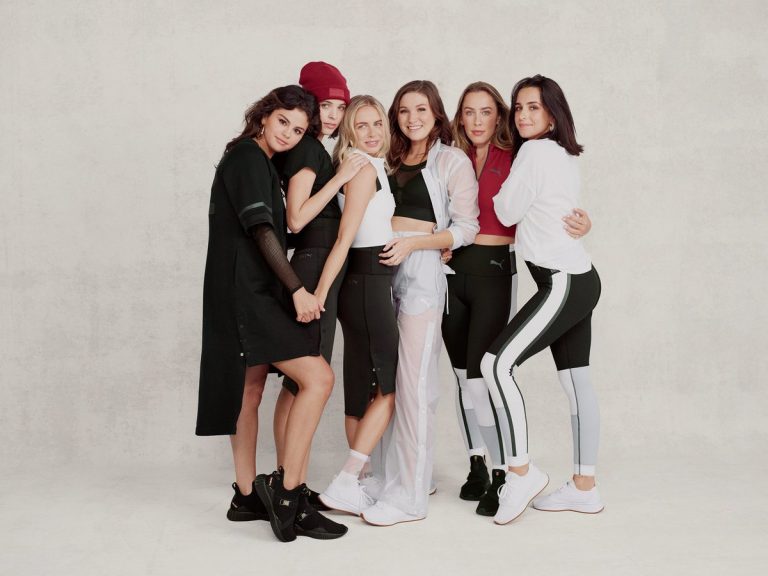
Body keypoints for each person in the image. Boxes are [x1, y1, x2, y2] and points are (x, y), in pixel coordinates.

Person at [196, 85, 347, 542]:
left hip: (243, 289)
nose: (288, 133)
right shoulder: (247, 157)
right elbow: (262, 229)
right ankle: (288, 497)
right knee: (318, 378)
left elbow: (273, 229)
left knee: (250, 389)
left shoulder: (258, 161)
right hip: (245, 293)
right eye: (283, 121)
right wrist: (298, 289)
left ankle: (246, 496)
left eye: (298, 130)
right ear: (264, 116)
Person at [444, 82, 592, 516]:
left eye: (487, 112)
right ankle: (576, 485)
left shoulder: (524, 152)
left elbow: (516, 210)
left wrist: (582, 222)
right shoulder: (453, 156)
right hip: (464, 271)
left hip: (527, 274)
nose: (476, 121)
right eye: (468, 112)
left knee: (490, 369)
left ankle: (512, 472)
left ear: (499, 117)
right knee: (467, 377)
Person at [480, 75, 603, 525]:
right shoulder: (562, 153)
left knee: (495, 365)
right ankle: (584, 488)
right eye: (518, 108)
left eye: (533, 107)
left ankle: (521, 473)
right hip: (580, 277)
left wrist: (503, 187)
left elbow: (506, 210)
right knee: (576, 381)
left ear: (552, 113)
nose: (523, 115)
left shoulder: (533, 152)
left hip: (562, 282)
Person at [361, 81, 479, 526]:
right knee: (385, 379)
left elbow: (466, 227)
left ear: (436, 114)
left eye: (421, 110)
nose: (413, 119)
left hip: (421, 273)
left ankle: (409, 497)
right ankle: (398, 477)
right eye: (404, 110)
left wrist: (416, 243)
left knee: (414, 383)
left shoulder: (451, 161)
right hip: (380, 270)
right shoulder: (387, 159)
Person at [270, 62, 368, 506]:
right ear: (307, 104)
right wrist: (342, 179)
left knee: (298, 385)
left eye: (340, 107)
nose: (333, 115)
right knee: (304, 383)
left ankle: (289, 480)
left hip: (315, 264)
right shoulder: (309, 149)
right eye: (325, 105)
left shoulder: (313, 148)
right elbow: (296, 218)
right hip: (311, 268)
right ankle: (289, 485)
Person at [311, 96, 399, 516]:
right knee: (389, 385)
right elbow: (345, 239)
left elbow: (376, 225)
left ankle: (359, 482)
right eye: (361, 125)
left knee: (362, 385)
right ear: (349, 132)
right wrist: (320, 293)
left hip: (366, 282)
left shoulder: (372, 165)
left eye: (377, 123)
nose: (372, 132)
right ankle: (348, 479)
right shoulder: (362, 169)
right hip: (366, 283)